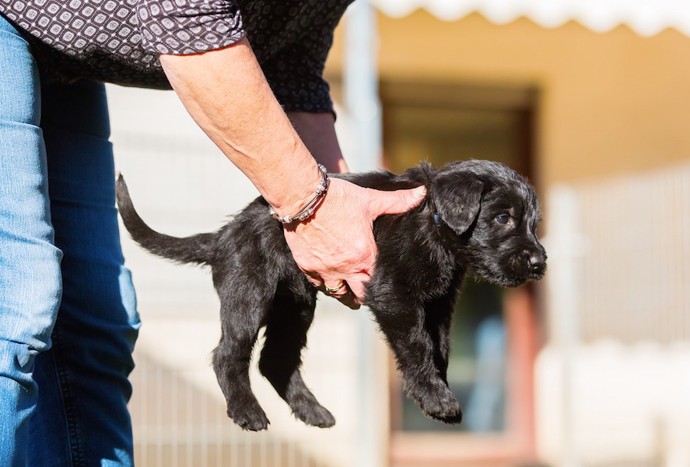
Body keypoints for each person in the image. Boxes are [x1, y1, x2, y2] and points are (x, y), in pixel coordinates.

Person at [0, 1, 426, 465]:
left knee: (97, 330)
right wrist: (312, 205)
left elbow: (292, 66)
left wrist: (352, 212)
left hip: (67, 60)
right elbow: (185, 17)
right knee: (17, 308)